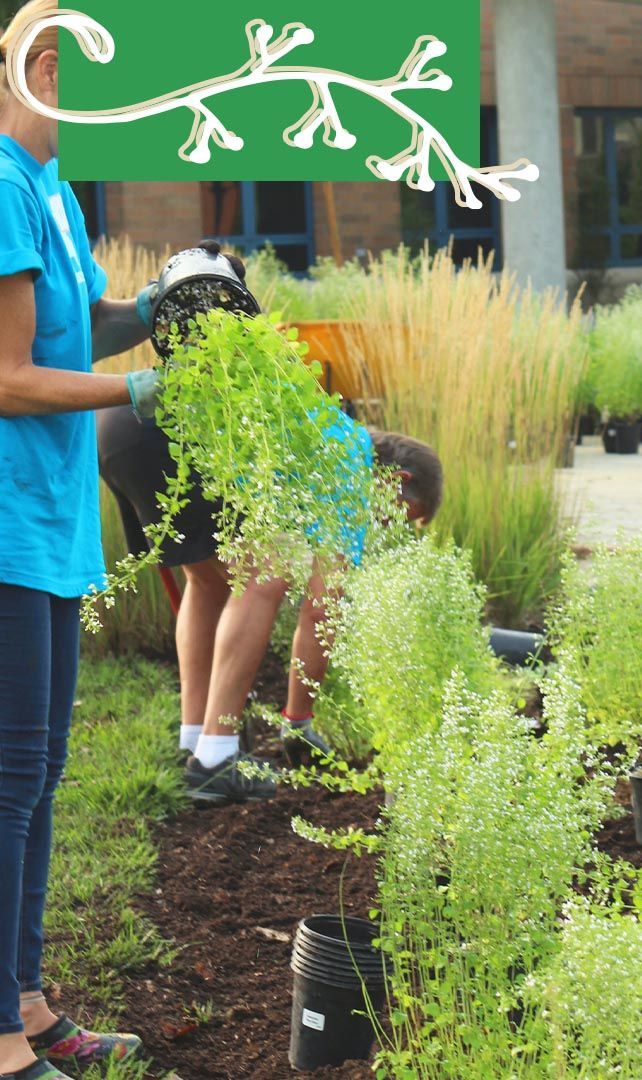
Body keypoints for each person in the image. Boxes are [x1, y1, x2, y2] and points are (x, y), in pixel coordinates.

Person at [0, 0, 191, 1074]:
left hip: (53, 517)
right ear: (44, 66)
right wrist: (141, 386)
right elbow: (11, 378)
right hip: (5, 519)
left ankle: (26, 1002)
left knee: (41, 771)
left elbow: (85, 317)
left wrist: (167, 300)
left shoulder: (56, 193)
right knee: (8, 775)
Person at [97, 403, 443, 803]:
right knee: (269, 570)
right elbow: (320, 609)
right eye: (397, 514)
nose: (383, 525)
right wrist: (298, 721)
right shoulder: (349, 460)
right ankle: (216, 760)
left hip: (122, 424)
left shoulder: (326, 429)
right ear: (395, 479)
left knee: (208, 581)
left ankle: (196, 746)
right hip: (170, 432)